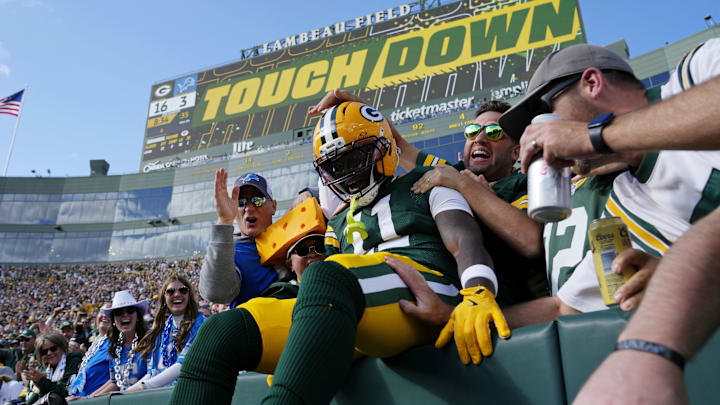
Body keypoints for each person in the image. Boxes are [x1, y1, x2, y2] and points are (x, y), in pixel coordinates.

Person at [170, 103, 508, 404]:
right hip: (355, 303)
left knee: (328, 273)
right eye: (334, 165)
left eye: (353, 158)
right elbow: (317, 286)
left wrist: (478, 291)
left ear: (383, 148)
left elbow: (464, 240)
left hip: (426, 288)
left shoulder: (426, 183)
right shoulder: (341, 219)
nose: (345, 173)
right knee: (222, 332)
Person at [199, 170, 292, 308]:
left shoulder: (291, 235)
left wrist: (307, 193)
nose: (249, 208)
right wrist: (224, 221)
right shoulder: (230, 252)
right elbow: (216, 293)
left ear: (273, 206)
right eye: (241, 202)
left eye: (257, 200)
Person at [125, 275, 205, 391]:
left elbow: (183, 365)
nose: (177, 294)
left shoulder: (201, 325)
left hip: (192, 392)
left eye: (183, 290)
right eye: (170, 291)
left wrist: (143, 387)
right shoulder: (162, 331)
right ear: (164, 299)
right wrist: (127, 391)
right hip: (165, 395)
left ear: (189, 296)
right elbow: (153, 372)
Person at [89, 291, 148, 396]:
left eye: (130, 311)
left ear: (138, 316)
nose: (125, 315)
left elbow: (154, 375)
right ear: (113, 320)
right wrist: (90, 398)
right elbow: (116, 381)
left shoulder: (151, 338)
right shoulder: (115, 347)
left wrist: (124, 393)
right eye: (119, 312)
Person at [65, 304, 112, 402]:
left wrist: (90, 398)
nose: (104, 315)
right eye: (102, 312)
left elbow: (117, 379)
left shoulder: (116, 343)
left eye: (109, 313)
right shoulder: (97, 342)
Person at [23, 333, 82, 404]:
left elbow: (66, 392)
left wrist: (42, 381)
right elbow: (43, 397)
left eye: (53, 349)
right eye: (44, 351)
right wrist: (38, 384)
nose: (49, 353)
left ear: (62, 347)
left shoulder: (73, 361)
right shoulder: (47, 368)